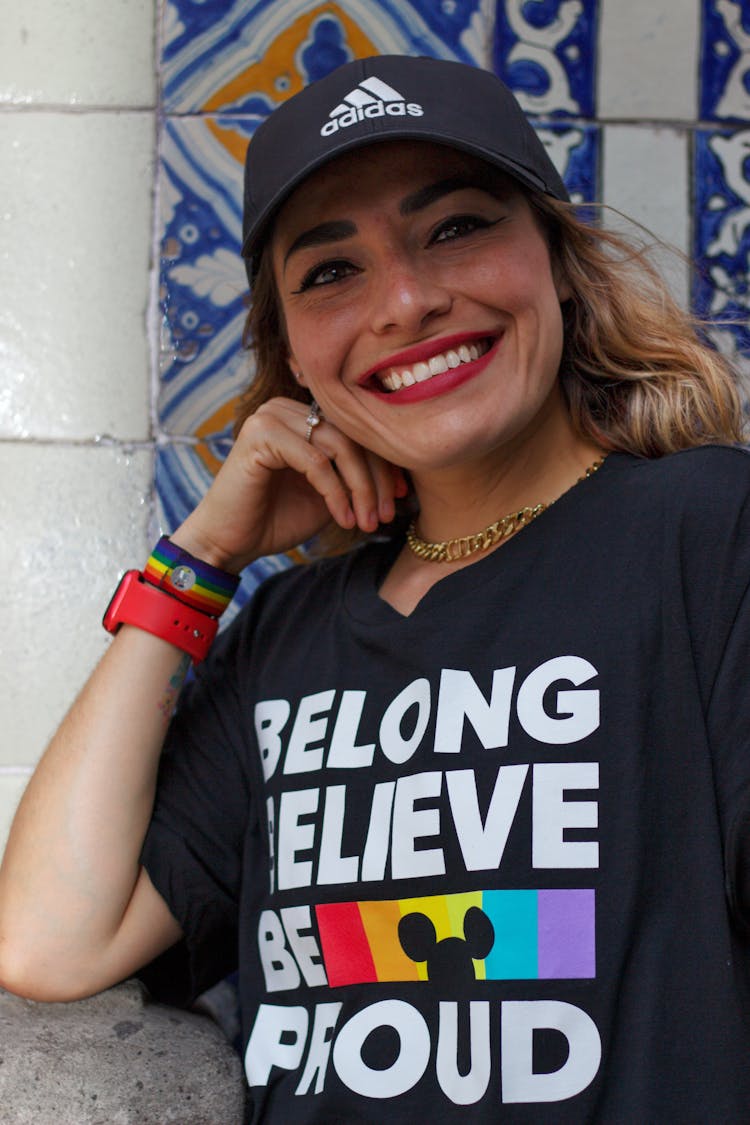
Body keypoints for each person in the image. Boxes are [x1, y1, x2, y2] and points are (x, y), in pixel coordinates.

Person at [0, 53, 749, 1123]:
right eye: (330, 272)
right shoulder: (285, 636)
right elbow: (49, 939)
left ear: (559, 265)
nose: (406, 301)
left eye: (456, 228)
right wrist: (203, 559)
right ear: (293, 357)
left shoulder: (709, 537)